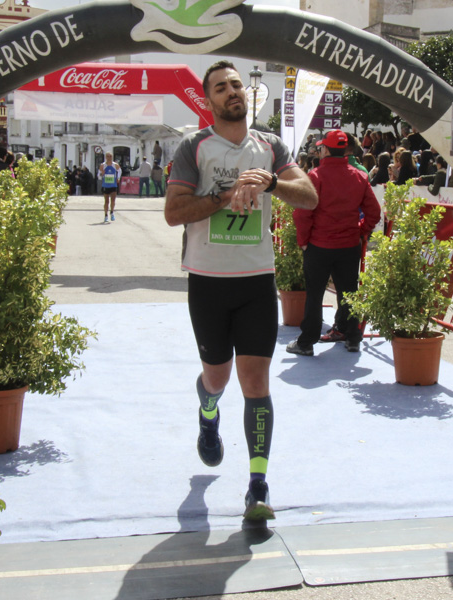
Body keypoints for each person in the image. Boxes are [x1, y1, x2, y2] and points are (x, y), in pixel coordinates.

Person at [164, 60, 317, 522]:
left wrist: (270, 181)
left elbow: (308, 196)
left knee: (256, 383)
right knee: (218, 378)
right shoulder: (194, 146)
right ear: (208, 99)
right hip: (208, 282)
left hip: (256, 282)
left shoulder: (269, 144)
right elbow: (174, 212)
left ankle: (258, 487)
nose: (232, 92)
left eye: (236, 85)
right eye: (221, 87)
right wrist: (224, 195)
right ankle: (208, 411)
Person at [287, 130, 380, 356]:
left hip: (319, 245)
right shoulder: (359, 176)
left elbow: (303, 213)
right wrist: (360, 231)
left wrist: (303, 241)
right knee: (349, 292)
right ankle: (352, 337)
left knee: (315, 293)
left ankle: (307, 342)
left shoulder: (316, 175)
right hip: (348, 244)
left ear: (325, 149)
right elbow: (374, 212)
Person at [100, 152, 121, 222]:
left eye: (110, 156)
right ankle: (105, 215)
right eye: (108, 156)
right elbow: (99, 175)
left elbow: (120, 171)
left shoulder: (115, 165)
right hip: (105, 185)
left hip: (113, 185)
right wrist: (101, 174)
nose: (109, 158)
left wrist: (118, 178)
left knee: (113, 200)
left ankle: (112, 212)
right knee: (106, 201)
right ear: (105, 157)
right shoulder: (103, 165)